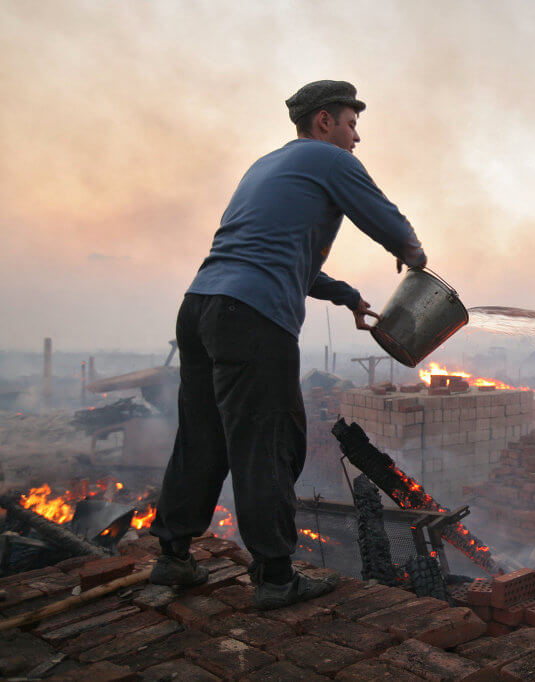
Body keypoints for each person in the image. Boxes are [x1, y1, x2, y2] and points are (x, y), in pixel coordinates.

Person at [148, 80, 427, 609]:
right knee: (267, 443)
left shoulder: (266, 166)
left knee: (201, 437)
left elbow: (276, 255)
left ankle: (173, 557)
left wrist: (344, 294)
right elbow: (384, 217)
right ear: (323, 121)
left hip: (202, 306)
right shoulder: (329, 160)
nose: (356, 137)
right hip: (254, 320)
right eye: (350, 123)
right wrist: (414, 255)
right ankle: (276, 577)